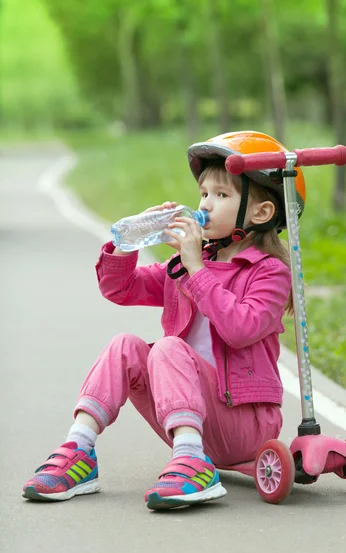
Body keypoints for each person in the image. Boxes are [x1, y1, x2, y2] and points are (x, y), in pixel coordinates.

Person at [22, 130, 306, 510]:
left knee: (170, 348)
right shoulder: (183, 266)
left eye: (221, 195)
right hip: (192, 414)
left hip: (244, 422)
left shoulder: (268, 272)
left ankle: (192, 461)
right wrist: (127, 242)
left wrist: (195, 266)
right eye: (204, 193)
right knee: (126, 345)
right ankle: (79, 449)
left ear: (260, 213)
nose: (205, 204)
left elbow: (241, 329)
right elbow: (121, 290)